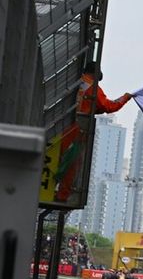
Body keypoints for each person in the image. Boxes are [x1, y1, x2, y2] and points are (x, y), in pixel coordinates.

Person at [54, 63, 132, 202]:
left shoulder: (72, 81)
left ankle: (49, 187)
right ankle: (61, 195)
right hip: (77, 131)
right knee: (72, 164)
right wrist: (125, 97)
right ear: (95, 75)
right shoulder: (92, 88)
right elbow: (108, 106)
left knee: (56, 159)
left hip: (59, 126)